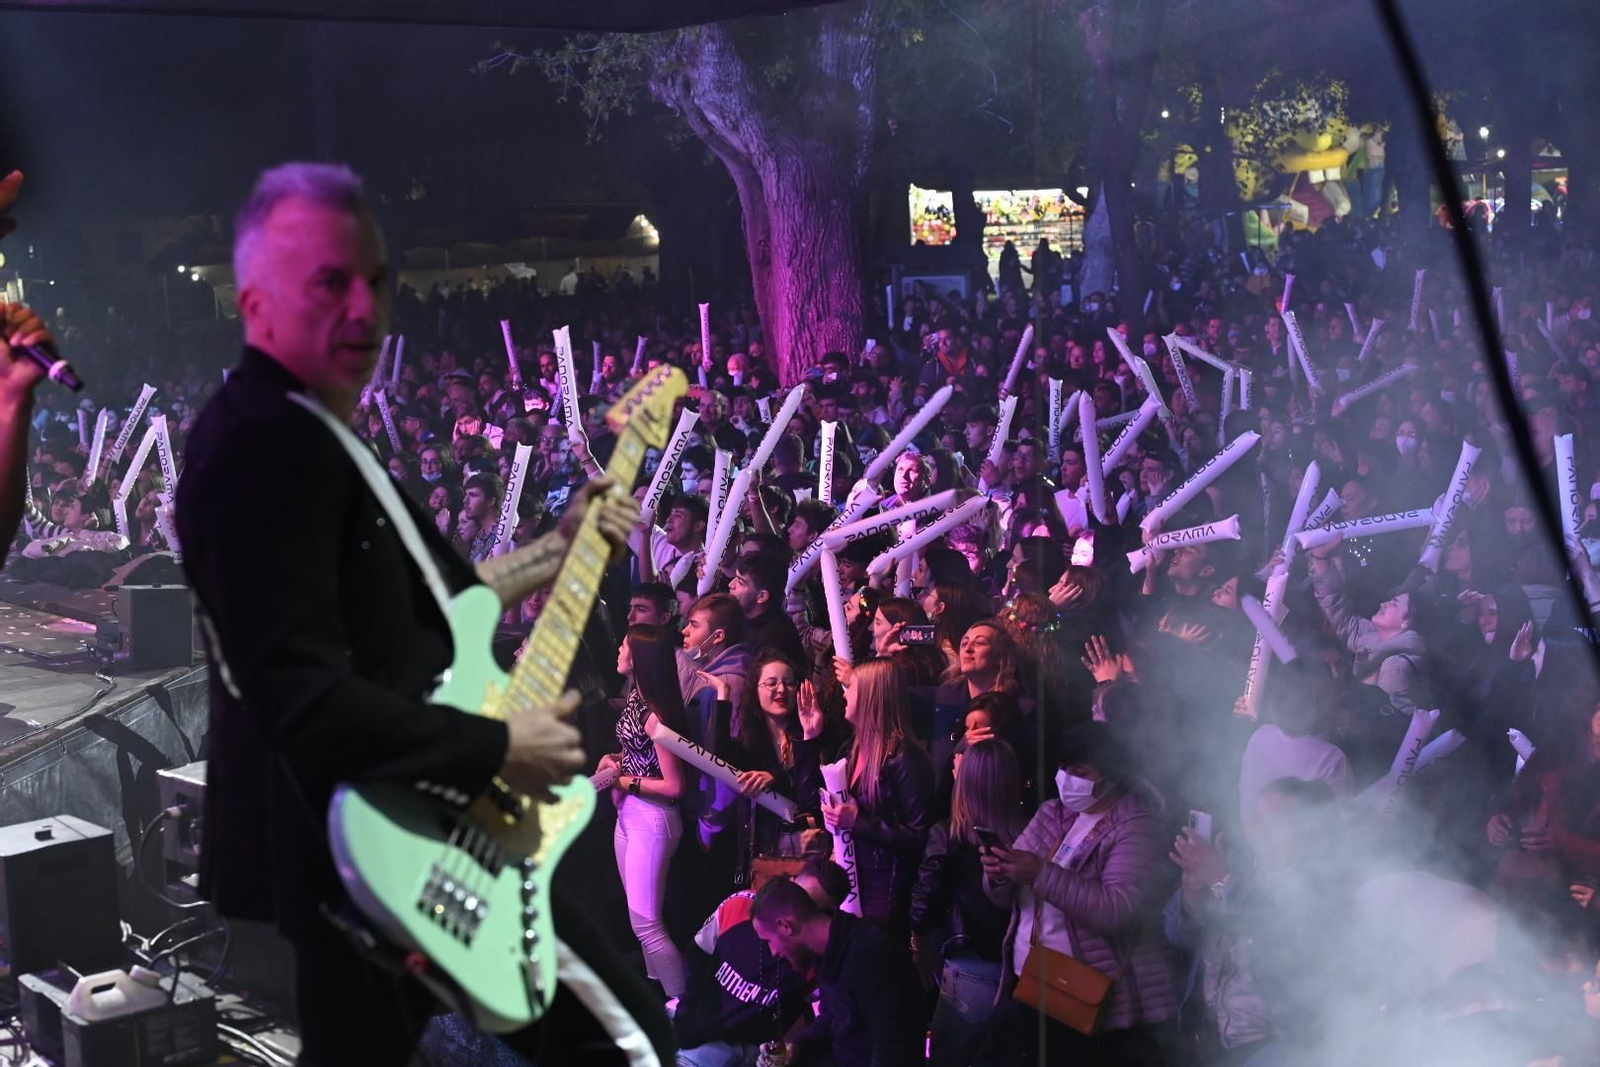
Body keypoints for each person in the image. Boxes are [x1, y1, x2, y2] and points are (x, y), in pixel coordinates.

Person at [175, 162, 672, 1067]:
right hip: (380, 835)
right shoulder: (261, 447)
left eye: (377, 279)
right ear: (252, 301)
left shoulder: (314, 429)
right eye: (331, 282)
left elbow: (436, 612)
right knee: (632, 1042)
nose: (365, 307)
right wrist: (498, 749)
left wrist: (556, 548)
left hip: (401, 823)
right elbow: (299, 697)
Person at [978, 722, 1180, 1065]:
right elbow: (1007, 896)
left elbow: (1117, 911)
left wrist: (1039, 873)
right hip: (1034, 984)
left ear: (1112, 774)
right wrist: (999, 875)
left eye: (1081, 771)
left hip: (1094, 1004)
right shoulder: (1053, 813)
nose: (1068, 779)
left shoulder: (1137, 826)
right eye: (1063, 768)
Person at [911, 738, 1026, 1066]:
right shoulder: (1033, 834)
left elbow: (924, 903)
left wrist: (920, 948)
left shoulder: (947, 834)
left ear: (965, 782)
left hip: (967, 970)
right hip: (1019, 974)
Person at [599, 624, 691, 1001]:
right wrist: (617, 761)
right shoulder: (637, 696)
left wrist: (625, 782)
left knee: (649, 925)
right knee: (641, 923)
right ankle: (662, 996)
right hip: (632, 816)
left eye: (623, 644)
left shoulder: (656, 713)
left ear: (637, 657)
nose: (618, 650)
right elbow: (642, 756)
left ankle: (683, 1009)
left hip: (653, 820)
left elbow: (674, 785)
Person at [750, 876, 924, 1067]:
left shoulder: (872, 955)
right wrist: (797, 1048)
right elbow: (832, 1018)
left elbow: (894, 1053)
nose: (773, 952)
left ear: (785, 926)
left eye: (769, 941)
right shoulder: (825, 951)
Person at [821, 659, 935, 932]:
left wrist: (859, 821)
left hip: (885, 892)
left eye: (852, 687)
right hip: (852, 875)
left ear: (873, 697)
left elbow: (922, 837)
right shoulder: (854, 748)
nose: (844, 693)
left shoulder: (905, 758)